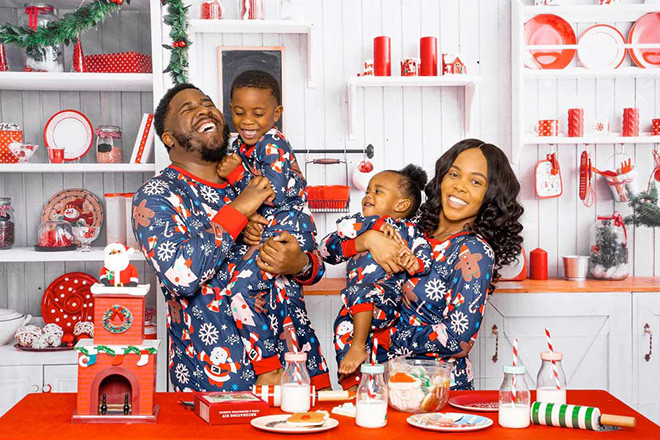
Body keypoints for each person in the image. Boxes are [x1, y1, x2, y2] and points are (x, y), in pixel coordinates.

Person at [132, 83, 325, 391]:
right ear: (169, 138)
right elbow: (180, 275)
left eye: (207, 103)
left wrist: (299, 263)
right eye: (188, 108)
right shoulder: (157, 195)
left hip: (297, 368)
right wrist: (240, 209)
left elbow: (314, 263)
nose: (204, 110)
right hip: (219, 382)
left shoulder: (252, 177)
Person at [347, 139, 524, 390]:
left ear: (490, 195)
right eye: (454, 174)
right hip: (387, 383)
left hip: (439, 391)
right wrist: (366, 239)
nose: (460, 186)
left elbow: (458, 339)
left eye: (475, 182)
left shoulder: (473, 251)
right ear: (441, 179)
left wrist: (385, 337)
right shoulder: (412, 231)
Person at [217, 70, 330, 389]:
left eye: (258, 113)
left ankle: (267, 367)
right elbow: (243, 202)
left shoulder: (272, 142)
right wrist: (246, 218)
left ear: (276, 113)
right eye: (240, 112)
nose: (247, 121)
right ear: (230, 109)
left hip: (288, 230)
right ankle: (317, 382)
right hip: (273, 230)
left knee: (239, 290)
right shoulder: (240, 145)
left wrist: (236, 174)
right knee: (287, 307)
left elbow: (274, 193)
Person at [318, 165, 431, 387]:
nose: (368, 195)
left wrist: (414, 262)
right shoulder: (359, 224)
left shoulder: (408, 231)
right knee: (342, 327)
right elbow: (331, 241)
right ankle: (352, 385)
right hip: (356, 304)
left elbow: (424, 255)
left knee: (360, 293)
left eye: (378, 191)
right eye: (368, 190)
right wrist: (373, 228)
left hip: (385, 298)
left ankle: (358, 346)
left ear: (401, 205)